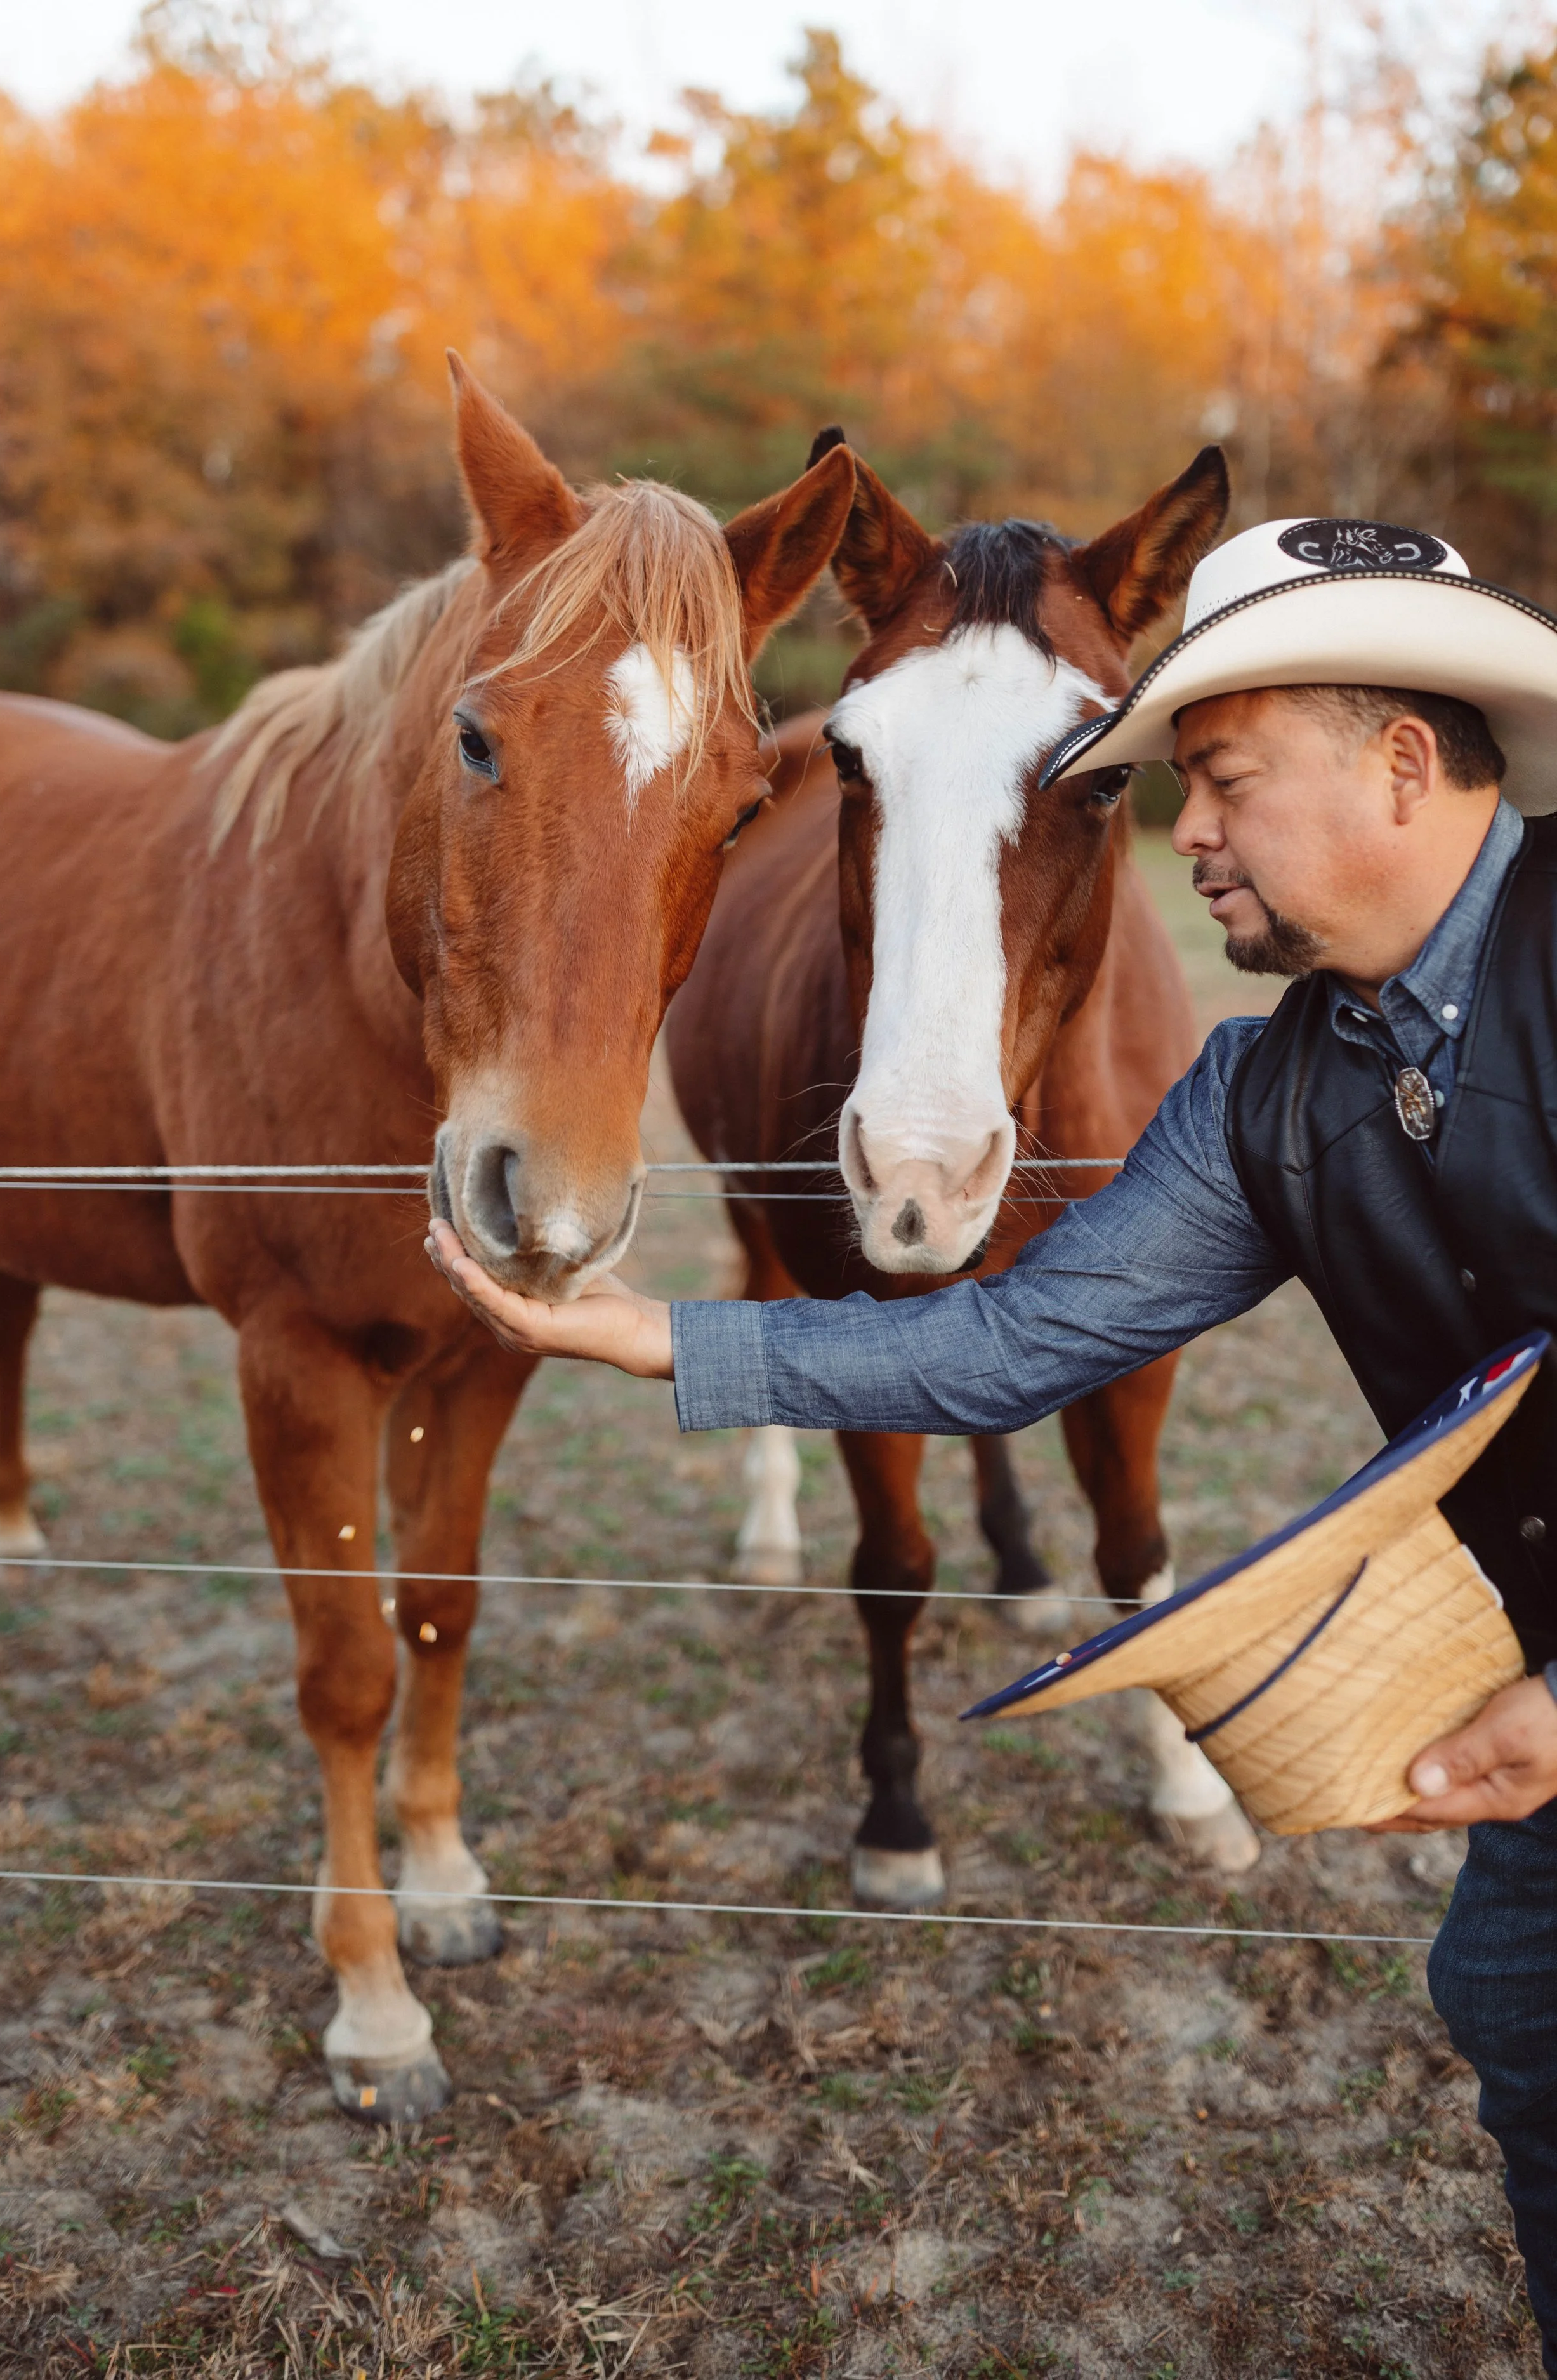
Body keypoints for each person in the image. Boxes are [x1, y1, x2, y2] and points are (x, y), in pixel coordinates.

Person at [426, 512, 1557, 2362]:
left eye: (1221, 781)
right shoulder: (1272, 1091)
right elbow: (1017, 1337)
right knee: (1506, 2001)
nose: (1181, 832)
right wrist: (659, 1337)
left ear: (1403, 767)